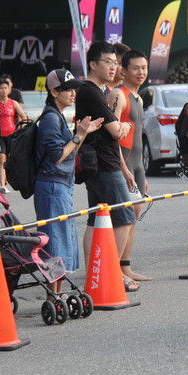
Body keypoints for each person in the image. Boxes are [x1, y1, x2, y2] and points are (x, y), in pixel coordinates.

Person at [75, 41, 138, 292]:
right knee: (123, 217)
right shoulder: (91, 91)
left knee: (95, 218)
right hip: (104, 164)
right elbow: (116, 130)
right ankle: (112, 272)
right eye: (108, 62)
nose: (114, 67)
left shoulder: (95, 90)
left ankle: (95, 273)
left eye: (115, 63)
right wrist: (126, 127)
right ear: (93, 64)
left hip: (96, 163)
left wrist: (122, 128)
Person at [35, 68, 103, 279]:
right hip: (52, 185)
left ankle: (57, 291)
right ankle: (52, 294)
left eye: (74, 89)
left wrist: (83, 133)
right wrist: (79, 135)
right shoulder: (50, 119)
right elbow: (57, 156)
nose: (73, 94)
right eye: (68, 89)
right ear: (54, 92)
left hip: (59, 185)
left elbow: (67, 150)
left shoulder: (57, 116)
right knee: (54, 240)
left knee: (61, 238)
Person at [107, 49, 152, 282]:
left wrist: (142, 173)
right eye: (135, 68)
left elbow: (137, 136)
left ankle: (125, 266)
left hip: (137, 163)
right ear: (123, 70)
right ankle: (113, 271)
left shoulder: (139, 97)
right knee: (123, 217)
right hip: (122, 162)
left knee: (133, 215)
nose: (140, 72)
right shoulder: (118, 94)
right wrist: (122, 166)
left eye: (144, 68)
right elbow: (111, 134)